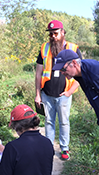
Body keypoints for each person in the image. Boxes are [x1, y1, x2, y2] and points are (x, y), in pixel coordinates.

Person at [35, 20, 82, 161]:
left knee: (64, 122)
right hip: (47, 94)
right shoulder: (44, 48)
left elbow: (81, 72)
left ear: (63, 32)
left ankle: (64, 149)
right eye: (51, 34)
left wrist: (69, 92)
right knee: (49, 122)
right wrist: (38, 94)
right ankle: (48, 148)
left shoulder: (73, 48)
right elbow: (38, 73)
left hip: (64, 94)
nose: (53, 36)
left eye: (55, 33)